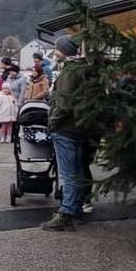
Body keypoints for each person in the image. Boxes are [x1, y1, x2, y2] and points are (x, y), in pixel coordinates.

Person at [42, 35, 94, 231]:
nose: (55, 53)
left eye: (57, 49)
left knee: (69, 173)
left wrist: (53, 123)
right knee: (79, 171)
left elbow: (64, 104)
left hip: (65, 129)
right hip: (80, 128)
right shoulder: (83, 70)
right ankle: (77, 207)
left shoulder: (69, 72)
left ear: (62, 51)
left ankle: (67, 212)